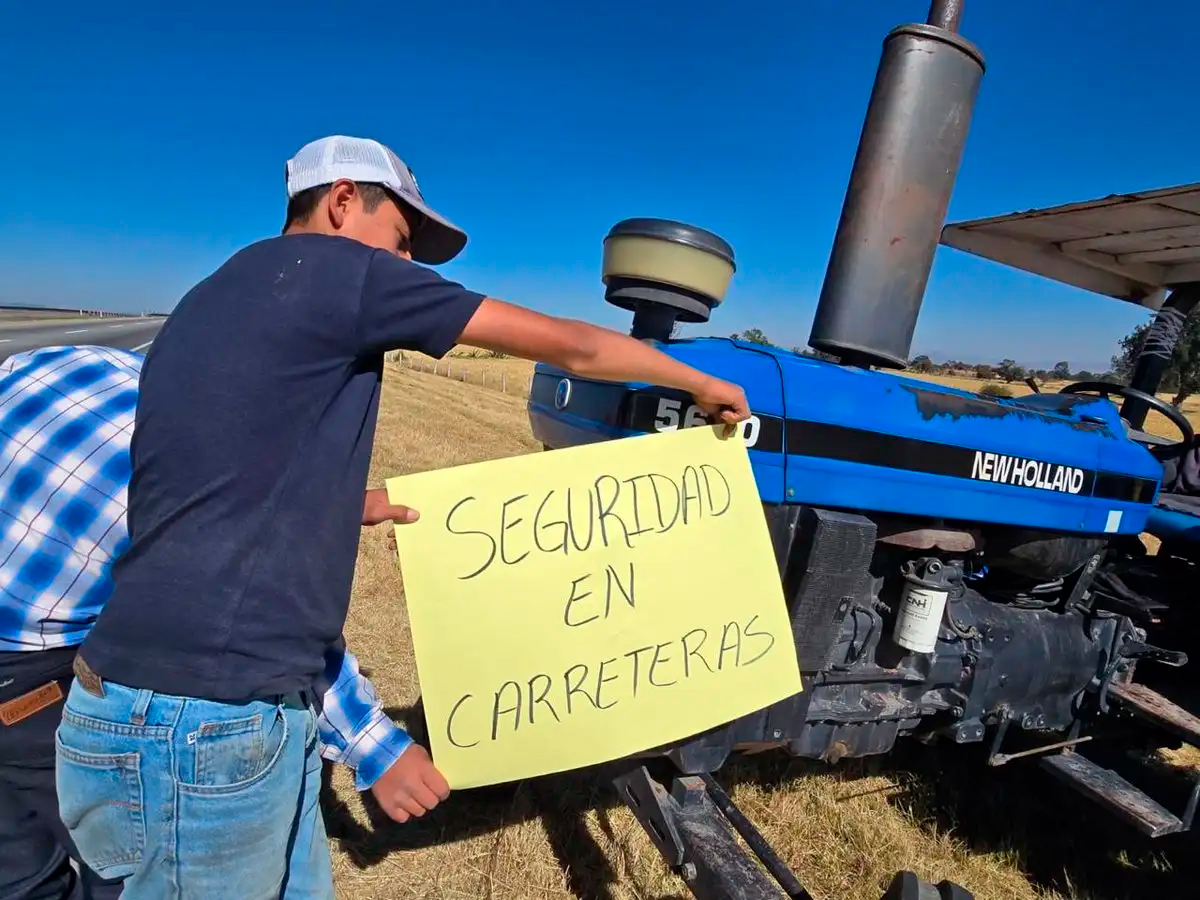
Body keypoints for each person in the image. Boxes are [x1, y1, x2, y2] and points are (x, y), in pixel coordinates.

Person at [56, 134, 751, 898]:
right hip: (203, 727)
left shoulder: (213, 294)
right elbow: (573, 346)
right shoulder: (339, 272)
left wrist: (341, 506)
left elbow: (200, 484)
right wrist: (697, 380)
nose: (409, 266)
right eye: (400, 240)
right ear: (343, 200)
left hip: (198, 712)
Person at [0, 344, 427, 899]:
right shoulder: (186, 487)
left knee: (19, 872)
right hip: (31, 681)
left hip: (28, 618)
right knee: (130, 862)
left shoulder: (93, 364)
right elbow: (270, 624)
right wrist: (375, 745)